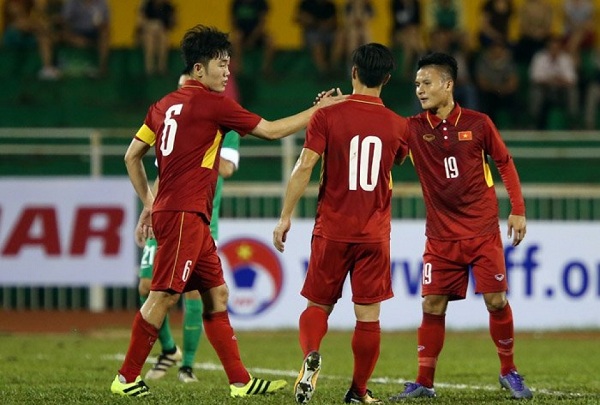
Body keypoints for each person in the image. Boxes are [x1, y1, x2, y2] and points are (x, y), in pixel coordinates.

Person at [110, 24, 344, 398]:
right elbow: (271, 131)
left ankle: (239, 381)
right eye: (221, 64)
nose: (227, 72)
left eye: (228, 64)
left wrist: (150, 203)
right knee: (163, 295)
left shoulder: (163, 106)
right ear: (198, 69)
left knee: (216, 294)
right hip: (185, 215)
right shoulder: (213, 104)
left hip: (186, 215)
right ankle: (126, 378)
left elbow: (131, 156)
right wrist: (319, 110)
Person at [389, 52, 532, 400]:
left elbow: (504, 161)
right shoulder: (412, 128)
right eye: (417, 84)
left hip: (481, 231)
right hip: (440, 237)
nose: (420, 90)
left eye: (427, 83)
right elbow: (385, 152)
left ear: (448, 84)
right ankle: (424, 381)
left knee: (496, 301)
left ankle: (509, 371)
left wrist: (517, 209)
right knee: (432, 305)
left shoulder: (478, 123)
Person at [273, 42, 409, 405]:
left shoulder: (326, 116)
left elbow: (304, 165)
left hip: (332, 229)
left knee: (317, 306)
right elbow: (397, 159)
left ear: (353, 72)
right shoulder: (399, 125)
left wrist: (285, 217)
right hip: (374, 233)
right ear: (387, 79)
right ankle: (358, 391)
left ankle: (311, 354)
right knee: (368, 317)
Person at [139, 73, 241, 384]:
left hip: (200, 218)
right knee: (146, 286)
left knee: (195, 291)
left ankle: (188, 366)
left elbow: (227, 168)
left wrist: (198, 145)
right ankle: (169, 350)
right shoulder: (172, 122)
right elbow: (162, 173)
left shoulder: (224, 122)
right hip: (166, 214)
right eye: (181, 87)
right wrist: (148, 208)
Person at [529, 36, 579, 130]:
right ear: (547, 48)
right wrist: (551, 80)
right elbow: (535, 77)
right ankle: (534, 124)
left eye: (556, 48)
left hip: (562, 91)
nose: (554, 50)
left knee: (572, 92)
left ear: (560, 48)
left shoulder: (566, 58)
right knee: (536, 91)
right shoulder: (539, 57)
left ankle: (573, 124)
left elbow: (572, 79)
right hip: (545, 90)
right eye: (552, 48)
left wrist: (559, 81)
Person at [2, 0, 61, 80]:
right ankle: (47, 68)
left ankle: (48, 68)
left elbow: (39, 26)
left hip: (24, 38)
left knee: (45, 38)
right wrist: (46, 31)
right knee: (44, 37)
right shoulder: (15, 13)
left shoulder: (31, 12)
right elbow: (26, 25)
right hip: (14, 37)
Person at [60, 0, 110, 77]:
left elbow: (106, 23)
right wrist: (71, 34)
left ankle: (102, 68)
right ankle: (88, 43)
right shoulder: (72, 3)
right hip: (76, 31)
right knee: (63, 34)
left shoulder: (101, 3)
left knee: (105, 33)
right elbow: (64, 22)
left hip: (94, 32)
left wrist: (100, 25)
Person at [295, 0, 340, 76]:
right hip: (312, 32)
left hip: (328, 33)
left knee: (339, 37)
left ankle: (334, 68)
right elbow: (298, 18)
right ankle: (323, 71)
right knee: (316, 43)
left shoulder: (329, 5)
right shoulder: (306, 4)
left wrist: (317, 22)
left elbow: (334, 22)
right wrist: (310, 21)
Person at [230, 0, 275, 75]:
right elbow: (233, 21)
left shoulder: (261, 3)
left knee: (270, 40)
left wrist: (252, 39)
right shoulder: (237, 3)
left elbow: (262, 23)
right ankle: (238, 69)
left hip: (257, 33)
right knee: (236, 38)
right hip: (242, 33)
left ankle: (266, 69)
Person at [136, 0, 176, 76]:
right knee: (149, 41)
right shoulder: (147, 5)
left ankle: (161, 68)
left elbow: (171, 23)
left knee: (163, 40)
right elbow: (141, 22)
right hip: (148, 32)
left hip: (162, 32)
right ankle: (149, 69)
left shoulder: (167, 6)